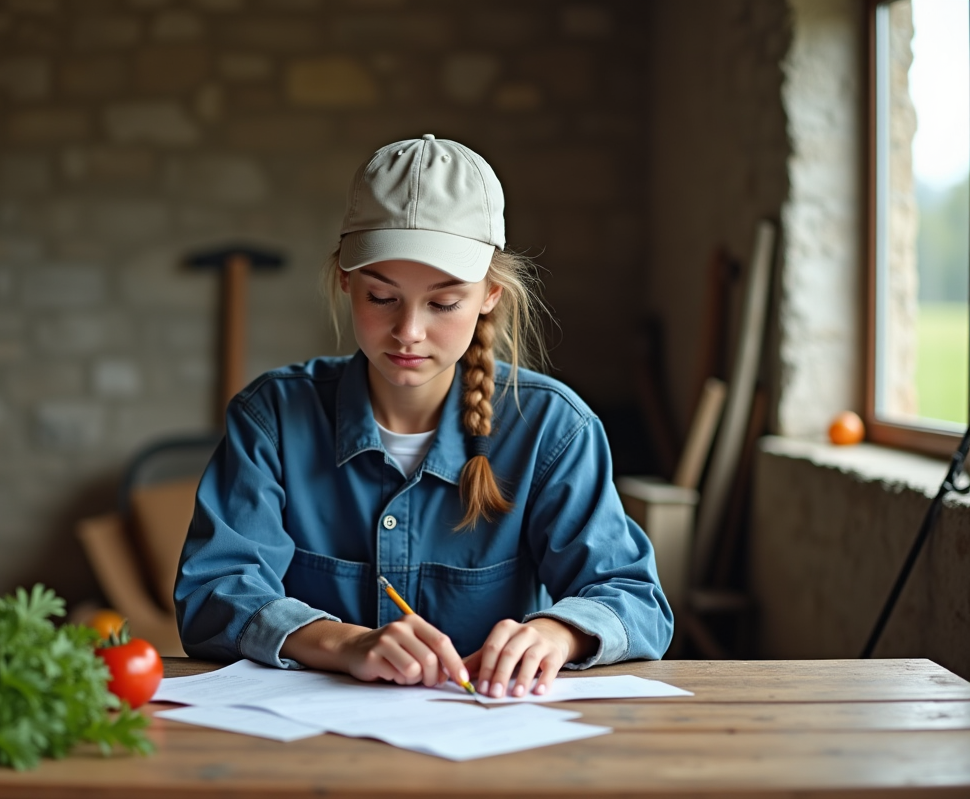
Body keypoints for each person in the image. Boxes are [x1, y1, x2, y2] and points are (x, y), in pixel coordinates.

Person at [175, 134, 672, 699]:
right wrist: (343, 644)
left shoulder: (554, 430)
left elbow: (634, 599)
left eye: (443, 303)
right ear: (345, 279)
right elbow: (214, 592)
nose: (409, 331)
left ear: (490, 294)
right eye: (382, 297)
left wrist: (556, 634)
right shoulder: (271, 418)